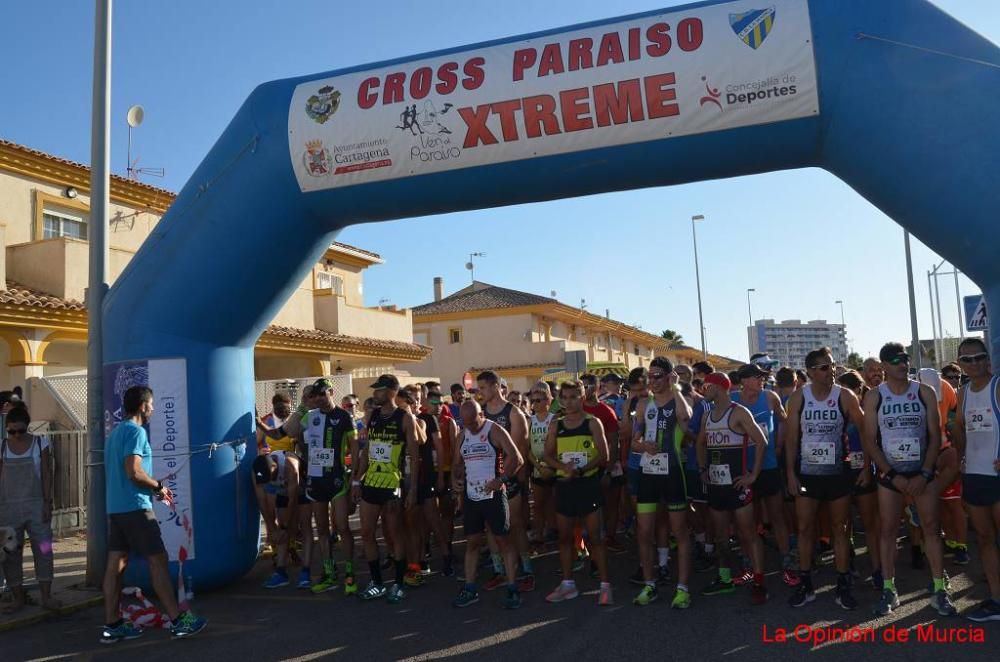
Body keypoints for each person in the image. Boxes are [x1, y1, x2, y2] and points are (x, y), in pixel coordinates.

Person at [100, 386, 206, 643]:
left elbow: (129, 474)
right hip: (136, 508)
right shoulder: (136, 432)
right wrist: (159, 486)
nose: (155, 409)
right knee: (158, 560)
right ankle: (179, 621)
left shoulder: (115, 434)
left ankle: (113, 624)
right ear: (143, 406)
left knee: (115, 566)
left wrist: (153, 488)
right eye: (152, 404)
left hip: (117, 508)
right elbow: (133, 472)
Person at [862, 342, 955, 616]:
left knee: (931, 528)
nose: (902, 364)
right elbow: (869, 440)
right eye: (895, 360)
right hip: (890, 475)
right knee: (888, 529)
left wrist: (926, 472)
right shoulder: (874, 396)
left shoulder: (924, 391)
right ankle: (889, 589)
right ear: (884, 367)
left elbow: (935, 435)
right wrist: (891, 474)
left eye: (904, 359)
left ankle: (939, 588)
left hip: (921, 473)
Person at [784, 348, 865, 610]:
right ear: (809, 371)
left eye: (831, 366)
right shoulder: (799, 398)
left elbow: (865, 431)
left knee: (839, 528)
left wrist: (866, 466)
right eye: (823, 367)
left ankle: (843, 585)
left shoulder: (845, 395)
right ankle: (806, 583)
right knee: (805, 528)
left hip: (837, 472)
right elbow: (791, 439)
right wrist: (790, 474)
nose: (830, 371)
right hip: (807, 472)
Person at [696, 372, 769, 605]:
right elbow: (700, 443)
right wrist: (702, 469)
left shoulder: (738, 411)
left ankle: (759, 581)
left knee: (748, 534)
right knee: (721, 536)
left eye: (706, 385)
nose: (704, 389)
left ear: (718, 387)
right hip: (717, 485)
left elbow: (762, 441)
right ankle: (725, 578)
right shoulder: (707, 416)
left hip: (738, 484)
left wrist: (753, 475)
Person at [631, 358, 693, 608]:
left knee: (680, 532)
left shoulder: (680, 399)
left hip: (674, 472)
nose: (653, 381)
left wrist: (677, 389)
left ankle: (683, 588)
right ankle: (650, 584)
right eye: (650, 376)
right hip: (648, 473)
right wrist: (643, 445)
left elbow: (685, 418)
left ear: (669, 377)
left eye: (658, 376)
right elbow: (634, 440)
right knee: (644, 531)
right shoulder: (644, 404)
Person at [352, 374, 419, 604]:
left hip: (393, 484)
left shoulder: (404, 418)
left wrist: (412, 489)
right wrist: (356, 480)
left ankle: (399, 583)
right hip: (371, 482)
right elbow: (366, 451)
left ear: (392, 391)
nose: (375, 394)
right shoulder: (371, 416)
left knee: (395, 534)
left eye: (379, 390)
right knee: (367, 533)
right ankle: (377, 583)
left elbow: (415, 456)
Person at [451, 401, 525, 609]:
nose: (471, 428)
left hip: (493, 495)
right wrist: (454, 481)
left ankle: (512, 588)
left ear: (481, 415)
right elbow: (456, 464)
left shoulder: (494, 430)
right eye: (465, 424)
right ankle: (470, 588)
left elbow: (517, 458)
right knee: (472, 542)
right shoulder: (462, 435)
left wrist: (500, 480)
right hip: (471, 496)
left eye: (473, 422)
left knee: (504, 542)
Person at [544, 380, 612, 605]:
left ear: (582, 397)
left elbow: (604, 455)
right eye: (565, 397)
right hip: (565, 485)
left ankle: (605, 586)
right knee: (564, 538)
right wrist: (564, 468)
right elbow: (548, 455)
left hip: (588, 485)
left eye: (574, 397)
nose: (569, 402)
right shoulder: (557, 424)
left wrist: (582, 469)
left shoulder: (593, 422)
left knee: (595, 538)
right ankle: (568, 585)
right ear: (560, 399)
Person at [951, 337, 1000, 622]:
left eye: (979, 357)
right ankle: (996, 599)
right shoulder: (964, 392)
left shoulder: (997, 385)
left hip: (996, 476)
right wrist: (962, 455)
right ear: (960, 363)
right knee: (984, 539)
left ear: (987, 358)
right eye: (967, 359)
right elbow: (958, 426)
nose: (974, 363)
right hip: (975, 475)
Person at [733, 363, 794, 586]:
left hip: (767, 465)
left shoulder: (770, 397)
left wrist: (778, 445)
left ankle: (787, 560)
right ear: (744, 380)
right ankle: (748, 561)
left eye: (763, 377)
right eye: (757, 377)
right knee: (746, 520)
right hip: (742, 468)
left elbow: (784, 420)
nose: (762, 381)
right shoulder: (734, 400)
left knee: (776, 515)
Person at [300, 378, 358, 595]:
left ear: (331, 392)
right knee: (322, 529)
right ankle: (329, 571)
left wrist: (355, 480)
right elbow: (290, 432)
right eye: (316, 395)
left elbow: (355, 450)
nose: (320, 399)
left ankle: (350, 573)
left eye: (323, 394)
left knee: (342, 528)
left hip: (337, 479)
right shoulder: (310, 416)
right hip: (315, 480)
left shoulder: (344, 417)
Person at [477, 371, 534, 592]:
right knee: (491, 527)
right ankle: (499, 570)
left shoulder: (514, 413)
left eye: (482, 388)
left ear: (494, 387)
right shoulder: (480, 413)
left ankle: (527, 570)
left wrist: (508, 478)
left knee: (516, 526)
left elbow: (518, 452)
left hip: (508, 480)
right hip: (485, 479)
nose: (480, 393)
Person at [0, 405, 59, 613]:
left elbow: (47, 475)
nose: (16, 435)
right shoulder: (1, 447)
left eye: (20, 431)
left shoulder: (40, 444)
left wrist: (47, 502)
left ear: (28, 427)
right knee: (11, 554)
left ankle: (46, 596)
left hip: (36, 506)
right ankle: (18, 598)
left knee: (44, 549)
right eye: (11, 431)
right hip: (8, 508)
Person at [836, 370, 883, 589]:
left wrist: (866, 468)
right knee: (843, 525)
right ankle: (848, 564)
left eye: (846, 389)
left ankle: (878, 569)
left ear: (857, 389)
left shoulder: (865, 411)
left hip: (863, 472)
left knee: (870, 523)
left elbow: (868, 443)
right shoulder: (836, 411)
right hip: (841, 474)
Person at [254, 446, 312, 589]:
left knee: (305, 528)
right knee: (281, 531)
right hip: (283, 491)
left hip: (302, 487)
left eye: (271, 478)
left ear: (275, 467)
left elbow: (292, 500)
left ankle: (306, 571)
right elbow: (261, 502)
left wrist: (286, 527)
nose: (268, 481)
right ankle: (281, 572)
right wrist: (273, 529)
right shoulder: (256, 468)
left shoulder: (290, 465)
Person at [581, 373, 623, 554]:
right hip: (584, 467)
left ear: (598, 387)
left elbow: (615, 442)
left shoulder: (607, 411)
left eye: (589, 384)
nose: (586, 388)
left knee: (611, 504)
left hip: (607, 466)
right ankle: (586, 544)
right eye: (582, 385)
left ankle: (610, 538)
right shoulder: (574, 411)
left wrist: (608, 470)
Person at [525, 382, 557, 548]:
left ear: (548, 400)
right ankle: (538, 533)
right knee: (538, 503)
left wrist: (552, 466)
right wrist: (538, 467)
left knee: (553, 501)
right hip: (538, 468)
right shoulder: (530, 421)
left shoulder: (555, 419)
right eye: (533, 400)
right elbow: (526, 449)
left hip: (554, 467)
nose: (535, 404)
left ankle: (553, 529)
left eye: (539, 400)